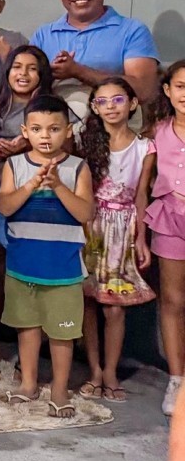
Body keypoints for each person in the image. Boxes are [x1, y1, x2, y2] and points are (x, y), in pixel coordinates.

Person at [0, 96, 94, 417]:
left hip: (63, 268)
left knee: (62, 332)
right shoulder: (14, 165)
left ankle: (59, 388)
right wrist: (32, 184)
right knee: (27, 328)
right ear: (25, 131)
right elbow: (5, 206)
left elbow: (85, 212)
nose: (45, 136)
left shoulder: (77, 167)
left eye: (54, 129)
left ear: (67, 131)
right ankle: (28, 383)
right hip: (22, 265)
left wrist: (58, 186)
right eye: (37, 129)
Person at [77, 78, 155, 402]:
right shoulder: (85, 143)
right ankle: (94, 370)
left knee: (114, 308)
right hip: (90, 227)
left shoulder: (144, 148)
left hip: (123, 231)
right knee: (88, 301)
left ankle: (111, 370)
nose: (110, 106)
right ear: (94, 107)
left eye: (118, 99)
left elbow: (142, 196)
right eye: (103, 101)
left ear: (132, 104)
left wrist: (142, 238)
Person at [31, 0, 160, 117]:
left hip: (113, 125)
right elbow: (27, 89)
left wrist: (78, 71)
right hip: (52, 126)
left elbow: (144, 91)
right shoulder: (43, 35)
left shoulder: (132, 30)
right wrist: (48, 74)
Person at [148, 60, 185, 414]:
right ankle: (177, 378)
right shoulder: (157, 132)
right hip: (169, 219)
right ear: (168, 90)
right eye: (181, 86)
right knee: (172, 300)